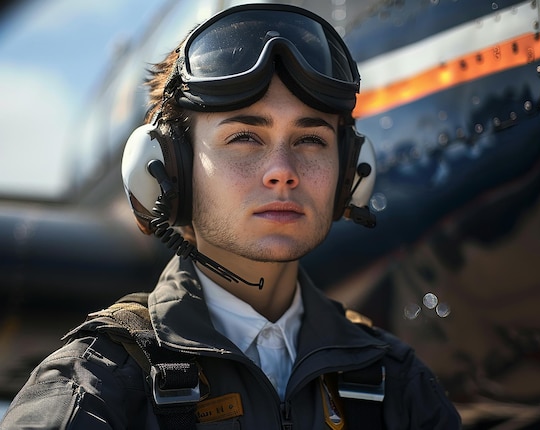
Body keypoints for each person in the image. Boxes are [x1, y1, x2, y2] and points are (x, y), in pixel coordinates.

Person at [0, 3, 461, 429]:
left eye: (312, 140)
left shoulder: (403, 388)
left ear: (351, 174)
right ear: (166, 174)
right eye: (244, 137)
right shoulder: (93, 387)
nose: (283, 172)